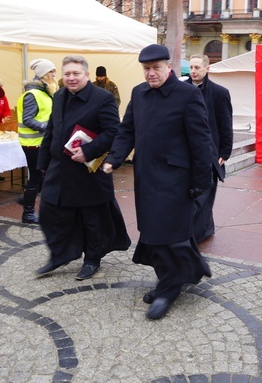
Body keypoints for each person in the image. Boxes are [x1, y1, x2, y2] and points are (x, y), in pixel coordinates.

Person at [102, 44, 213, 321]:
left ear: (168, 66)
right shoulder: (139, 93)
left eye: (156, 68)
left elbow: (201, 142)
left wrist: (201, 183)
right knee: (153, 232)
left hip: (176, 181)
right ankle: (180, 274)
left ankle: (168, 288)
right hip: (146, 177)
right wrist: (114, 158)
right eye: (146, 69)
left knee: (170, 236)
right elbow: (127, 129)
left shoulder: (188, 94)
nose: (151, 73)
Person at [34, 55, 130, 280]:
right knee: (50, 211)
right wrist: (43, 163)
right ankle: (61, 254)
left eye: (76, 73)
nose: (71, 78)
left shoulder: (103, 98)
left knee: (92, 217)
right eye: (67, 73)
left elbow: (113, 131)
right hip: (60, 169)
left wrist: (89, 151)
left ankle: (92, 259)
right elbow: (51, 131)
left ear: (86, 75)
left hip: (87, 170)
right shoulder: (58, 96)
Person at [186, 53, 234, 242]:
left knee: (206, 194)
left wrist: (224, 152)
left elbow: (225, 123)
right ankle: (204, 228)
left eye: (197, 67)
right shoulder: (181, 89)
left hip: (210, 152)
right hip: (187, 151)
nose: (193, 71)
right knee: (192, 195)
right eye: (191, 67)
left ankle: (198, 234)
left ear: (207, 68)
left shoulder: (219, 92)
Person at [17, 58, 58, 225]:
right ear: (43, 75)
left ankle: (28, 201)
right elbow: (28, 119)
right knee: (36, 177)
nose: (55, 75)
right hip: (33, 144)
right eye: (51, 72)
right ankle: (28, 212)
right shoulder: (32, 94)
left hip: (42, 142)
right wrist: (48, 127)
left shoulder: (45, 92)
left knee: (45, 177)